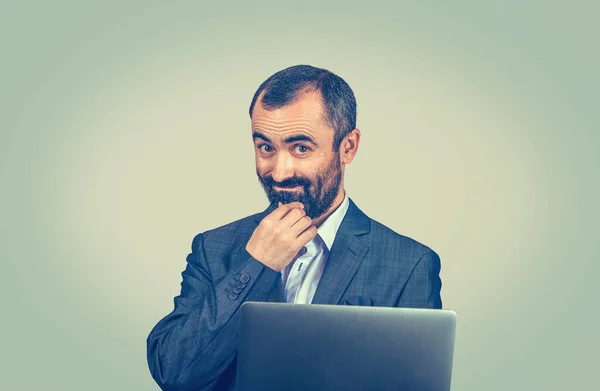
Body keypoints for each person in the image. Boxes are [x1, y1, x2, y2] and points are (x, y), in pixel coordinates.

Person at [146, 64, 443, 391]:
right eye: (266, 148)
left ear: (348, 147)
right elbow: (173, 373)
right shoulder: (212, 248)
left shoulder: (409, 265)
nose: (279, 171)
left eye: (301, 147)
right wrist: (257, 265)